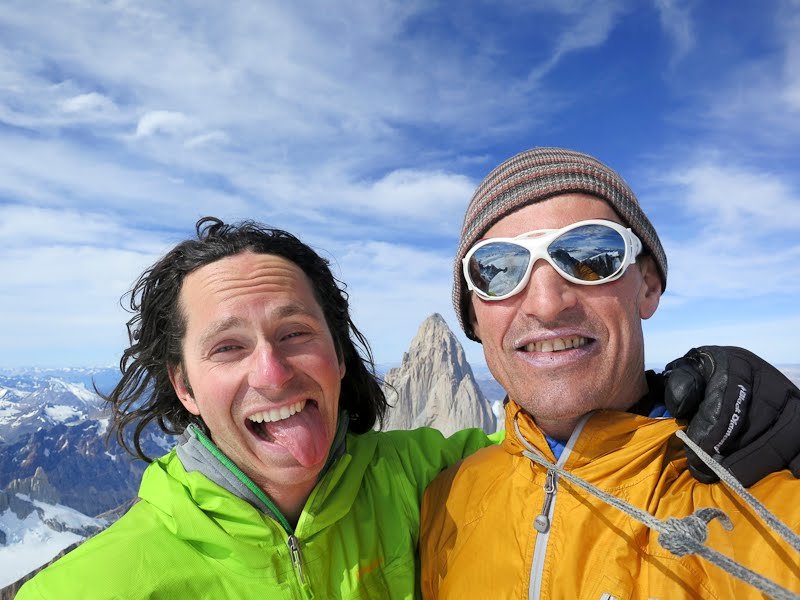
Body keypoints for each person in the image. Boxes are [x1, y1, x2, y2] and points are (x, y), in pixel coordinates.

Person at [13, 216, 797, 600]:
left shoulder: (432, 475)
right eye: (226, 349)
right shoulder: (88, 590)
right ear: (183, 389)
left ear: (339, 354)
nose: (274, 371)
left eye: (296, 333)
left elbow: (554, 452)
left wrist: (686, 398)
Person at [419, 147, 800, 598]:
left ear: (648, 287)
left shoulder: (760, 495)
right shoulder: (445, 500)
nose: (546, 303)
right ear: (475, 321)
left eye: (590, 254)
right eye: (497, 270)